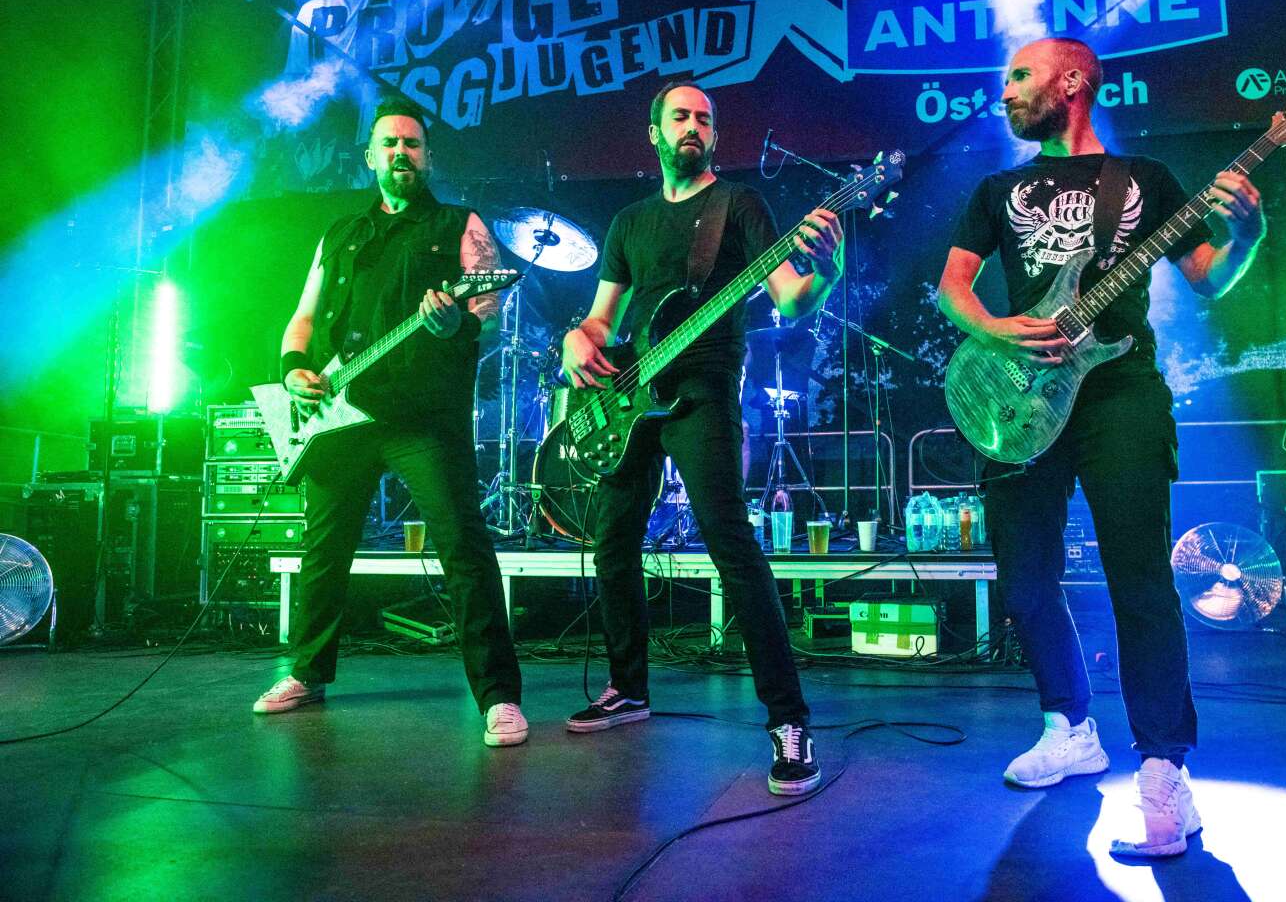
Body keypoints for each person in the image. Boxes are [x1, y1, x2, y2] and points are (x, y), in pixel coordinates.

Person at [936, 37, 1267, 857]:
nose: (1006, 91)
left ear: (1071, 82)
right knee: (1023, 579)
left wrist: (1249, 235)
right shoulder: (996, 188)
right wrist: (1001, 327)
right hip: (1023, 395)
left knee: (1141, 580)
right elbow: (952, 289)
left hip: (1118, 392)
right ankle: (1069, 725)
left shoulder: (1144, 180)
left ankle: (1163, 768)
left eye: (1020, 76)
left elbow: (1206, 276)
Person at [559, 81, 843, 795]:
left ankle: (788, 721)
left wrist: (829, 268)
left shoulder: (738, 206)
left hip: (703, 394)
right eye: (680, 117)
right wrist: (576, 339)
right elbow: (603, 321)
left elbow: (790, 298)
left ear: (714, 137)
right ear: (653, 132)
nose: (694, 126)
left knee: (733, 546)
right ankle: (629, 687)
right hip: (631, 397)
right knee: (612, 538)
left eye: (705, 120)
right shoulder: (629, 222)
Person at [252, 97, 527, 748]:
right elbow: (304, 315)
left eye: (413, 143)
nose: (402, 153)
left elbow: (487, 309)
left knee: (461, 545)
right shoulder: (342, 235)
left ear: (427, 157)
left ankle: (498, 697)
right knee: (323, 549)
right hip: (339, 410)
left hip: (423, 414)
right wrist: (295, 368)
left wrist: (457, 318)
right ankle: (305, 673)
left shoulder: (460, 225)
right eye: (391, 144)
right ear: (371, 156)